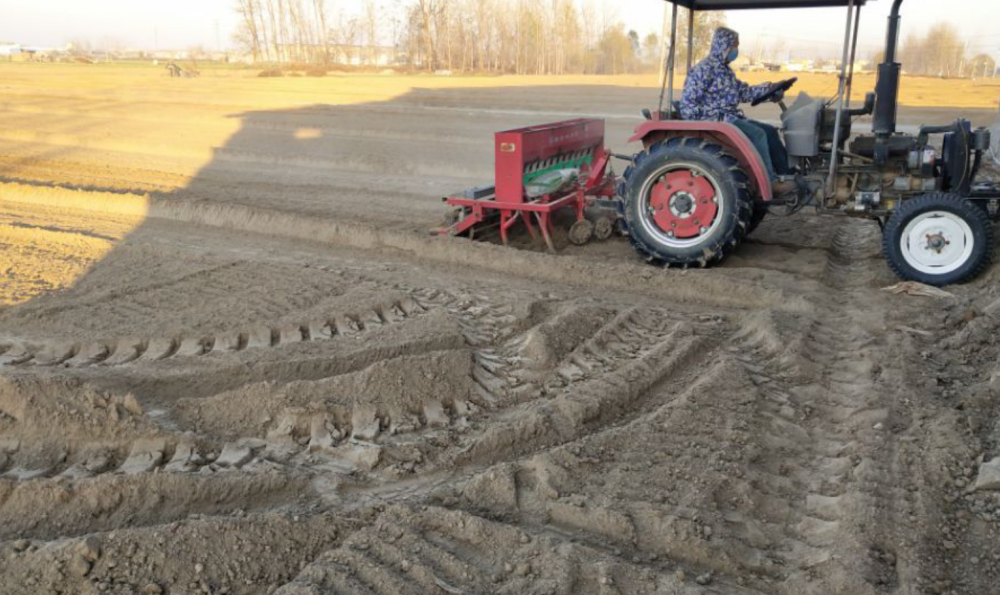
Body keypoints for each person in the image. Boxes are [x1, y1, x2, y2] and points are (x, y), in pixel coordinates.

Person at [680, 27, 792, 189]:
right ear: (723, 45)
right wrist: (712, 117)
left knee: (770, 131)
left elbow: (743, 92)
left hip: (731, 117)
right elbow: (688, 106)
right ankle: (770, 182)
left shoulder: (725, 72)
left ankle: (786, 174)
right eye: (734, 46)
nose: (736, 50)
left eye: (736, 46)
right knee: (758, 135)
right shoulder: (703, 70)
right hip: (717, 120)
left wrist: (769, 89)